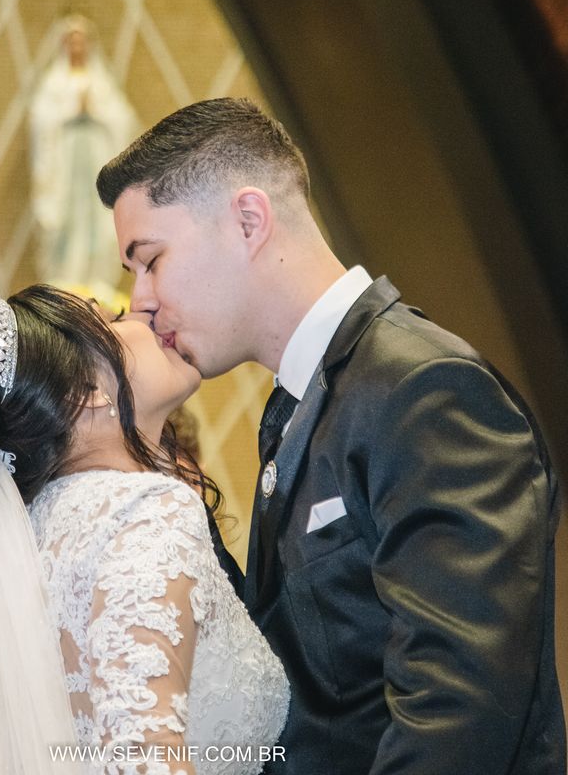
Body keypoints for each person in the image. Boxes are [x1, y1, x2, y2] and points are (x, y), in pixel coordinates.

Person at [96, 97, 566, 774]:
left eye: (151, 259)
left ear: (249, 221)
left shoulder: (424, 391)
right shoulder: (298, 406)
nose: (140, 298)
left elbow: (460, 715)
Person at [0, 284, 288, 773]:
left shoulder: (35, 535)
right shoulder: (146, 511)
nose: (141, 315)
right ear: (87, 392)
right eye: (111, 322)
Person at [29, 14, 137, 297]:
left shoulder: (100, 82)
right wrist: (71, 110)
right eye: (71, 41)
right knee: (69, 216)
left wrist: (94, 110)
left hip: (94, 154)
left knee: (95, 214)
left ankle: (95, 276)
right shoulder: (55, 83)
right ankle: (66, 275)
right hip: (66, 160)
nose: (77, 47)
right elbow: (41, 120)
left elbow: (121, 117)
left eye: (81, 41)